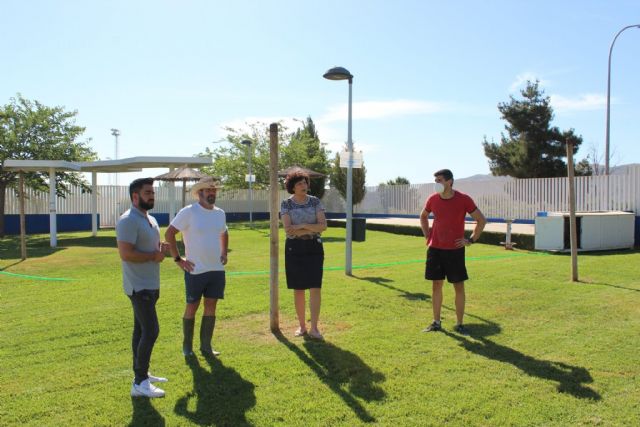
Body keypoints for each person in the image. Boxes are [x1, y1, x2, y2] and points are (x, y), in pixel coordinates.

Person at [116, 177, 169, 398]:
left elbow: (150, 249)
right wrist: (153, 256)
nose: (152, 196)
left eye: (153, 192)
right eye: (148, 192)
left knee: (140, 330)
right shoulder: (128, 220)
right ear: (135, 196)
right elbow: (126, 253)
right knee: (151, 330)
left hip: (151, 284)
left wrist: (160, 250)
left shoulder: (151, 219)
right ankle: (139, 382)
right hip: (138, 286)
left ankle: (142, 372)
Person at [165, 176, 228, 357]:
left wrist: (223, 252)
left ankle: (206, 346)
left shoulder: (219, 213)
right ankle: (187, 347)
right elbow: (169, 233)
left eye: (214, 190)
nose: (212, 193)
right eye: (208, 190)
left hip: (216, 269)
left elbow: (224, 232)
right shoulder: (189, 212)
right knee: (192, 306)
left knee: (211, 306)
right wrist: (178, 259)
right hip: (195, 270)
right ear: (199, 193)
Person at [420, 169, 486, 335]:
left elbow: (481, 220)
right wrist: (428, 235)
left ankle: (460, 324)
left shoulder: (463, 199)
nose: (437, 184)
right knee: (436, 285)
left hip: (455, 250)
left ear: (449, 181)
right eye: (435, 180)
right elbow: (423, 216)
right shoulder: (433, 199)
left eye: (440, 180)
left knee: (458, 286)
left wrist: (470, 239)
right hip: (435, 249)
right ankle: (436, 322)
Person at [280, 169, 327, 340]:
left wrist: (301, 226)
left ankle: (314, 328)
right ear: (292, 186)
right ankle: (302, 327)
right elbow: (288, 230)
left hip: (314, 246)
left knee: (315, 287)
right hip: (294, 248)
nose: (304, 186)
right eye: (299, 183)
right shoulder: (286, 204)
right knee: (298, 288)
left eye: (305, 182)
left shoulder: (315, 201)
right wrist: (308, 227)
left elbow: (323, 226)